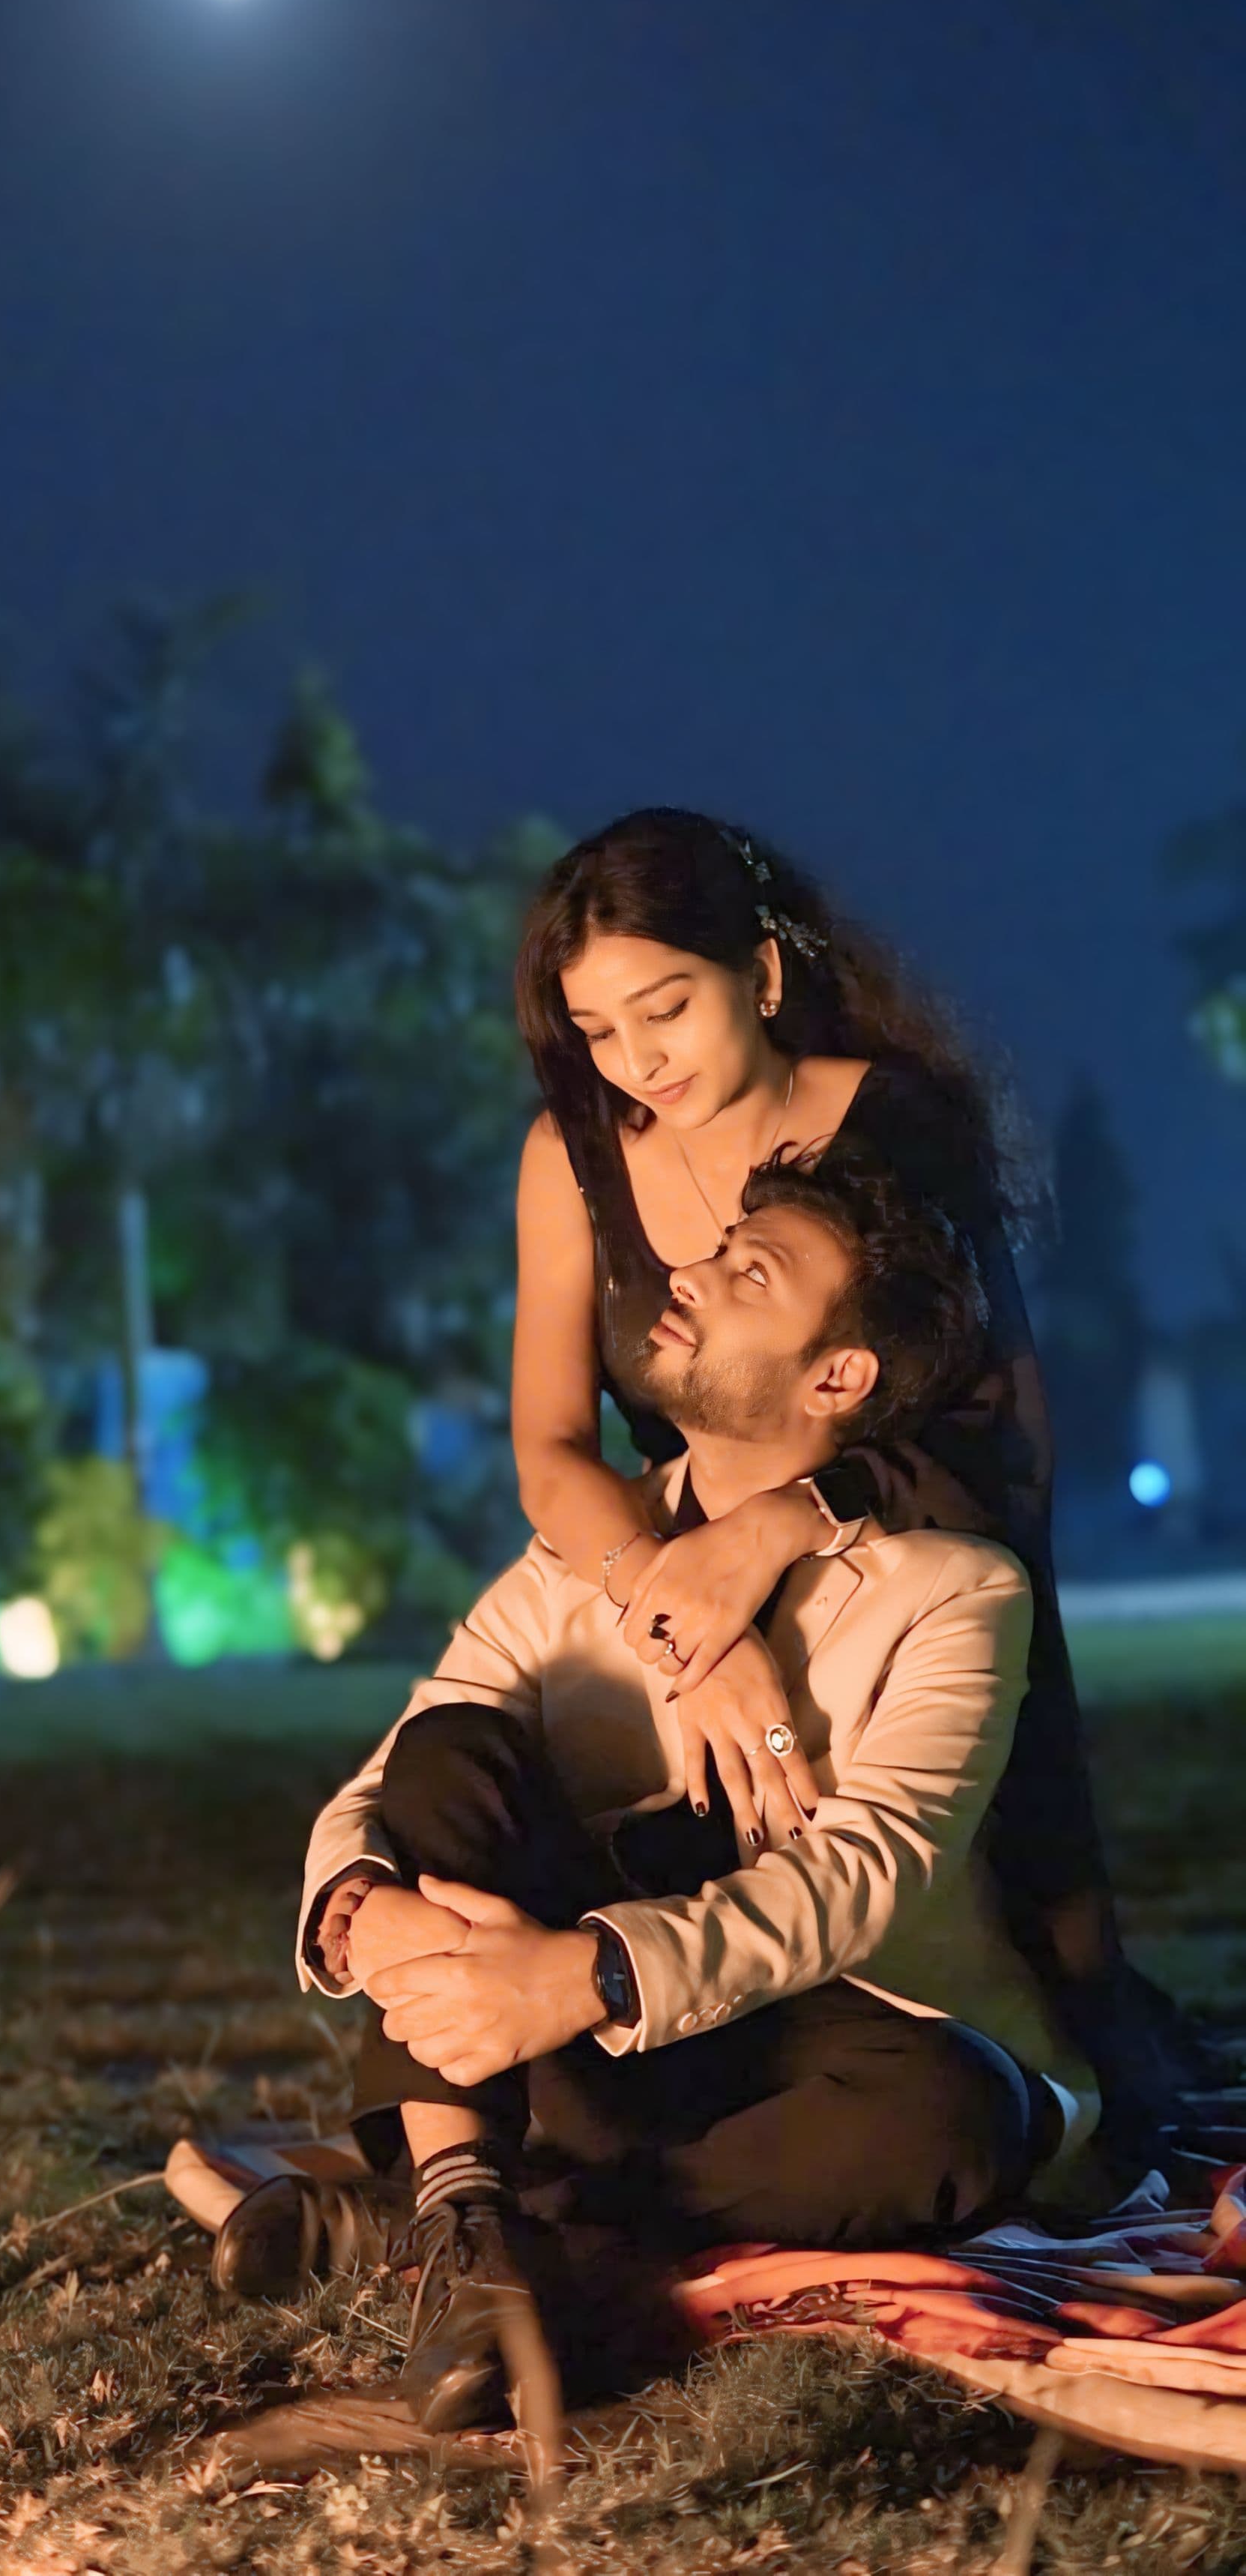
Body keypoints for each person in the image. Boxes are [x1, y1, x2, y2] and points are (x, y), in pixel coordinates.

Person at [220, 1157, 1096, 2430]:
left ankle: (461, 2226)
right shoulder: (587, 1552)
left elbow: (867, 1874)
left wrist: (583, 1975)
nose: (685, 1273)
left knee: (963, 2119)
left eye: (750, 1273)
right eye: (715, 1248)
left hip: (802, 2028)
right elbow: (407, 1761)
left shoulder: (952, 1591)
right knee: (454, 1751)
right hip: (575, 2047)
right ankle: (469, 2206)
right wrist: (363, 1908)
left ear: (835, 1377)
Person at [510, 805, 1189, 2151]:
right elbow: (549, 1446)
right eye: (597, 1031)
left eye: (667, 1009)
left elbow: (1005, 1428)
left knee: (1030, 2001)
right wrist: (678, 1611)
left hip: (909, 1552)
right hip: (675, 1590)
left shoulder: (893, 1124)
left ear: (760, 974)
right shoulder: (571, 1158)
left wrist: (779, 1527)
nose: (637, 1063)